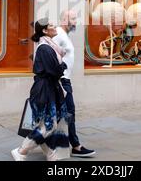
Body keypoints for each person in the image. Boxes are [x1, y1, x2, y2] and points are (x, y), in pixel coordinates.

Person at [11, 18, 70, 161]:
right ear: (44, 31)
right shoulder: (45, 48)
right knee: (49, 125)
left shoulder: (49, 46)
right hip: (45, 89)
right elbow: (54, 70)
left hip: (49, 87)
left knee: (44, 124)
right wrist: (63, 66)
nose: (54, 26)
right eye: (51, 25)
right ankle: (21, 151)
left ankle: (51, 155)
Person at [53, 10, 96, 157]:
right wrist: (58, 79)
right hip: (62, 81)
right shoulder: (58, 33)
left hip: (64, 80)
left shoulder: (64, 35)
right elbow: (48, 52)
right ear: (64, 19)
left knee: (63, 113)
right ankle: (76, 146)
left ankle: (55, 143)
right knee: (69, 112)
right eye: (73, 18)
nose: (75, 21)